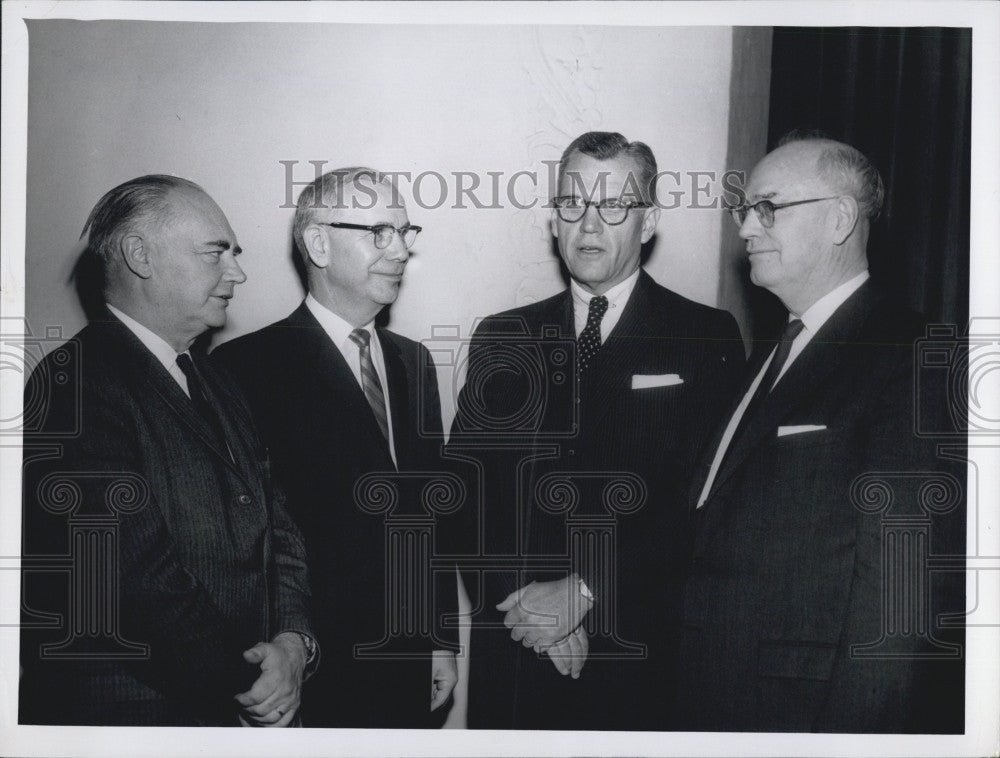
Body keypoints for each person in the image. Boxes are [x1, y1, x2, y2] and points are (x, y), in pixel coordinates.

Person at [449, 131, 745, 729]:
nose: (588, 225)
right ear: (554, 218)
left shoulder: (706, 336)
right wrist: (529, 610)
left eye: (613, 207)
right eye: (572, 204)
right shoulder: (503, 336)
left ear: (650, 219)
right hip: (515, 658)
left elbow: (705, 507)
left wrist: (582, 592)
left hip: (634, 659)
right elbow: (464, 491)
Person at [675, 135, 965, 732]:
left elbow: (899, 601)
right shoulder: (774, 352)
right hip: (716, 693)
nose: (746, 230)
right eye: (743, 210)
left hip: (805, 714)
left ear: (839, 219)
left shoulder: (912, 354)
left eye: (768, 208)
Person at [19, 175, 316, 726]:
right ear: (140, 256)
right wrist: (255, 685)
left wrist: (294, 643)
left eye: (236, 254)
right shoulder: (74, 382)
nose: (238, 273)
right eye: (215, 253)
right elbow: (135, 578)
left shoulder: (217, 379)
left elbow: (279, 525)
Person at [213, 168, 459, 728]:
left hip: (408, 660)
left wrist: (440, 639)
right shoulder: (244, 369)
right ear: (318, 242)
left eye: (405, 232)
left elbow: (429, 513)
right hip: (311, 670)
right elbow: (249, 542)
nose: (400, 251)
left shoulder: (414, 362)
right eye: (378, 233)